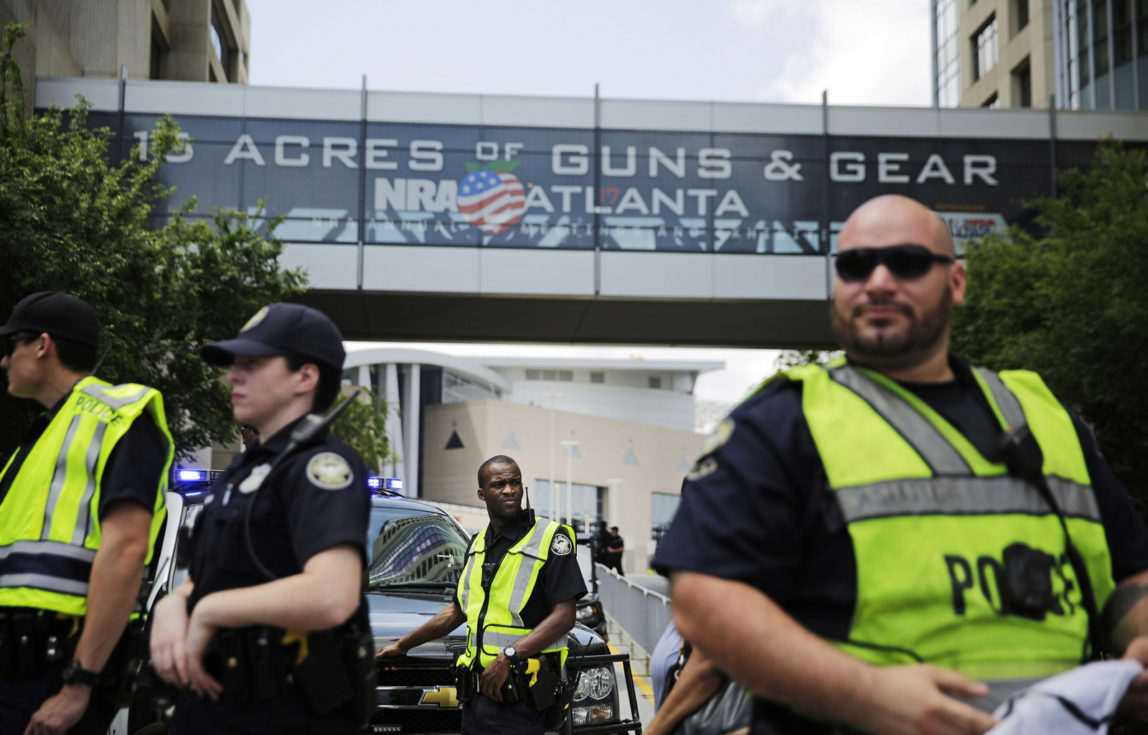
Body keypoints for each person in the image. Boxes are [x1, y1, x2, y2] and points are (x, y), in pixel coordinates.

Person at [653, 194, 1148, 735]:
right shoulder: (780, 425)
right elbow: (703, 601)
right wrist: (866, 694)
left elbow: (1128, 573)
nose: (880, 281)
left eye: (908, 263)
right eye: (856, 265)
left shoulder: (1045, 418)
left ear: (956, 282)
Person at [149, 303, 372, 734]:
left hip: (279, 714)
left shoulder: (321, 466)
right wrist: (175, 604)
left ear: (305, 377)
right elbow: (217, 573)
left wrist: (209, 611)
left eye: (253, 364)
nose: (234, 375)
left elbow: (332, 594)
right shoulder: (244, 471)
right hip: (212, 705)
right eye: (236, 364)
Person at [0, 291, 174, 735]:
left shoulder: (119, 418)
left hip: (53, 674)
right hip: (21, 669)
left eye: (10, 345)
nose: (4, 361)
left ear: (41, 345)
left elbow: (128, 550)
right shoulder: (43, 435)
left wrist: (79, 685)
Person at [378, 454, 587, 735]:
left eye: (515, 482)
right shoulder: (477, 544)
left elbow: (565, 617)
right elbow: (457, 610)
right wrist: (404, 644)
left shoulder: (550, 538)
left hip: (520, 694)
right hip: (476, 697)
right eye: (499, 484)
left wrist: (508, 657)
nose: (509, 490)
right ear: (481, 493)